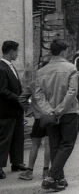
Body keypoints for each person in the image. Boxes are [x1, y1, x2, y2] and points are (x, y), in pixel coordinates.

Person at [33, 39, 79, 191]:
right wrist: (59, 110)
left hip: (49, 114)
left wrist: (50, 111)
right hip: (68, 112)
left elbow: (38, 96)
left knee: (54, 146)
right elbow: (72, 92)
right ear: (63, 51)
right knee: (67, 144)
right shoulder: (71, 68)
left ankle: (60, 178)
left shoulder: (41, 72)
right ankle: (51, 177)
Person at [18, 64, 50, 181]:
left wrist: (29, 110)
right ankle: (46, 171)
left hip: (38, 118)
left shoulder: (33, 83)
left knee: (35, 145)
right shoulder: (51, 82)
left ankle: (30, 171)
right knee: (48, 144)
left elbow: (22, 98)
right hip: (50, 116)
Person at [0, 41, 26, 180]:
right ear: (11, 52)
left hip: (16, 109)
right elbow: (2, 91)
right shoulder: (1, 68)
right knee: (5, 138)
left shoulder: (9, 66)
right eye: (16, 52)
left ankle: (16, 162)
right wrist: (19, 98)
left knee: (18, 136)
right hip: (6, 110)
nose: (17, 54)